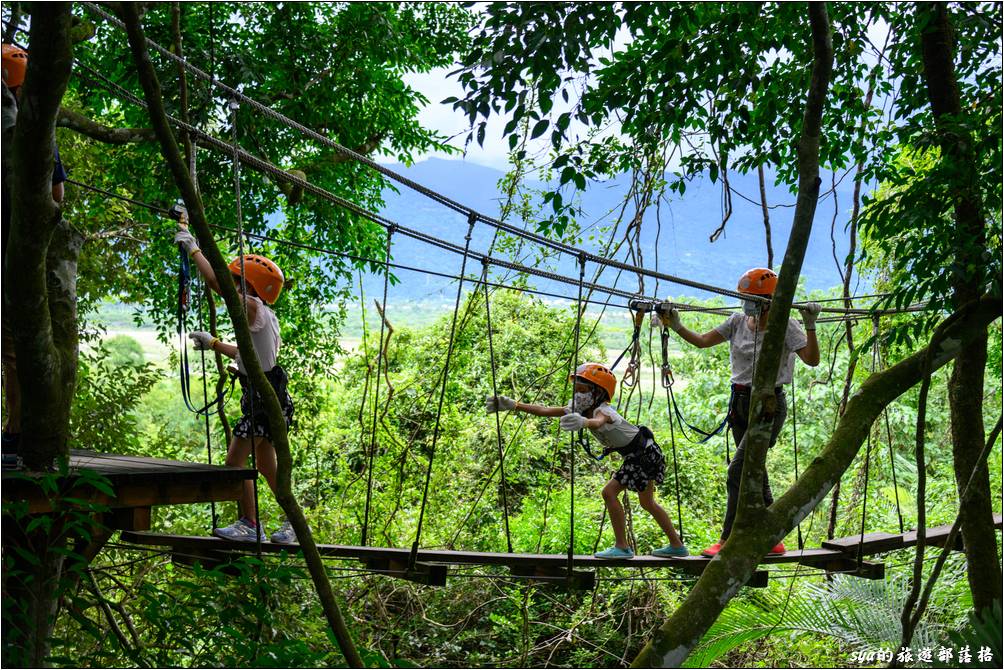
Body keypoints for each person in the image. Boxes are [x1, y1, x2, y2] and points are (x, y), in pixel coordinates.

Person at [656, 268, 820, 557]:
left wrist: (810, 325)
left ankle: (728, 539)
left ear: (771, 300)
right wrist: (677, 324)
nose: (747, 304)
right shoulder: (737, 321)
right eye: (744, 298)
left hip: (769, 405)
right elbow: (703, 341)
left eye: (753, 299)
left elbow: (812, 360)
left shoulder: (787, 325)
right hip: (740, 402)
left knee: (738, 470)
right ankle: (773, 537)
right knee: (754, 467)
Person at [174, 218, 297, 544]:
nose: (233, 283)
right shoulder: (265, 315)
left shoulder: (251, 305)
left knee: (234, 463)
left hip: (260, 400)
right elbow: (249, 356)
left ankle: (249, 523)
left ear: (249, 284)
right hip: (270, 396)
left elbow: (216, 283)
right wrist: (214, 344)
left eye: (237, 280)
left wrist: (193, 247)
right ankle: (293, 524)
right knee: (269, 468)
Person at [486, 362, 688, 559]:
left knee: (609, 493)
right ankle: (677, 545)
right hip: (645, 453)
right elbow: (545, 411)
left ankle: (623, 546)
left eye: (583, 390)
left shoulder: (603, 411)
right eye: (576, 390)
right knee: (648, 503)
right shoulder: (581, 410)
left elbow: (597, 422)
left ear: (598, 393)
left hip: (642, 455)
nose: (578, 395)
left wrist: (584, 422)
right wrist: (515, 405)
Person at [2, 44, 68, 459]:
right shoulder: (40, 134)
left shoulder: (30, 132)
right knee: (14, 344)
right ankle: (16, 427)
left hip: (17, 251)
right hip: (20, 249)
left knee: (12, 344)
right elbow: (58, 196)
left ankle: (16, 429)